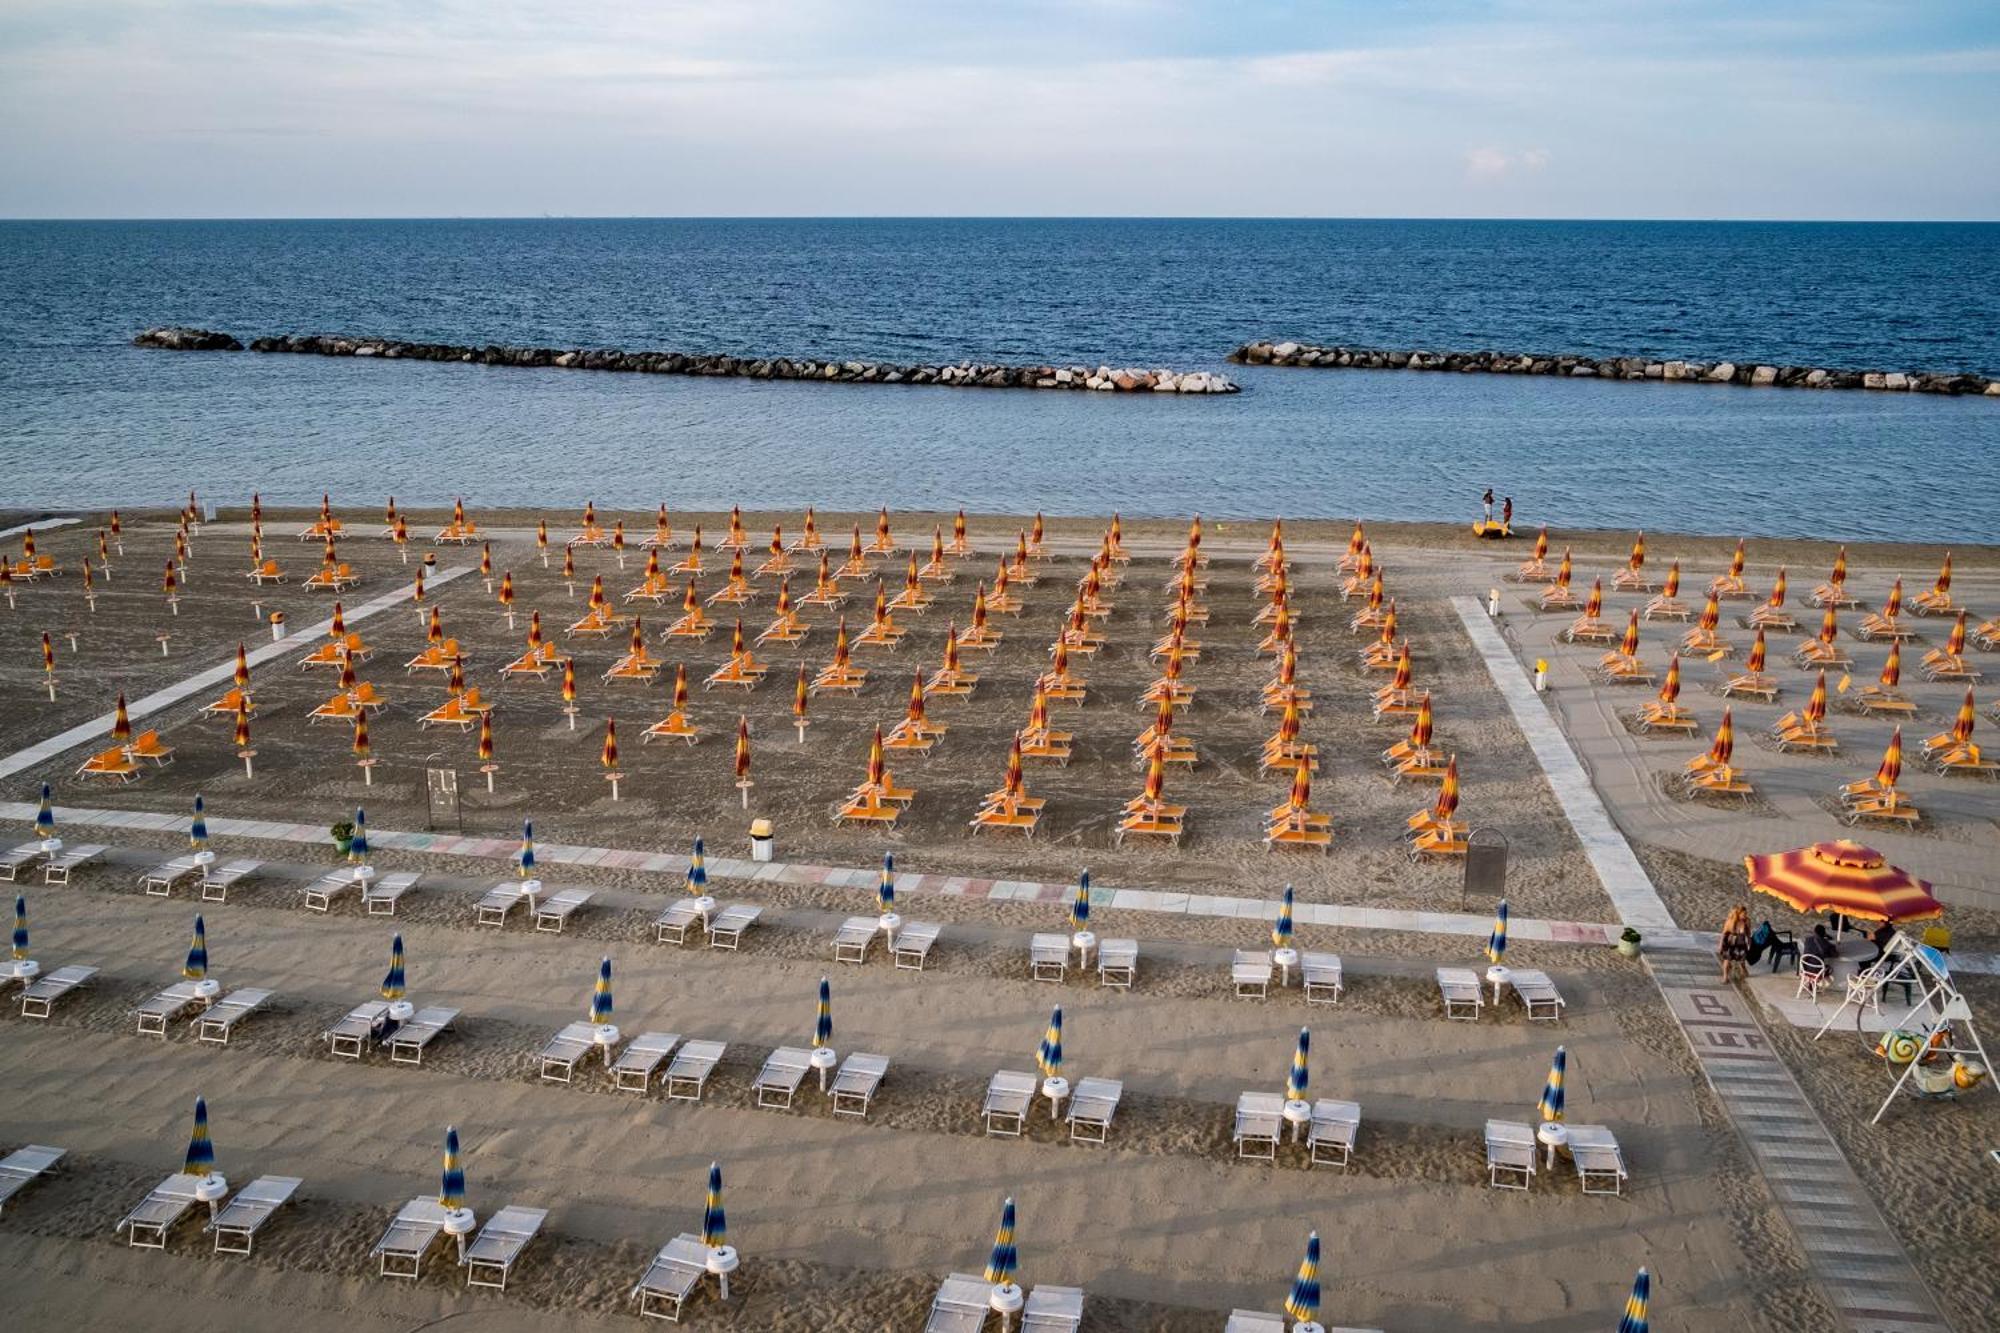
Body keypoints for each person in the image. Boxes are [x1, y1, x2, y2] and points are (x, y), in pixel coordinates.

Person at [1717, 905, 1750, 982]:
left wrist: (1749, 943)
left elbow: (1748, 934)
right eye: (1744, 914)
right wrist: (1720, 945)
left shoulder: (1747, 921)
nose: (1745, 915)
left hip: (1740, 942)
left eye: (1746, 913)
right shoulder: (1730, 921)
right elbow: (1723, 934)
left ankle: (1744, 970)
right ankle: (1725, 977)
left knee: (1742, 961)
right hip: (1730, 942)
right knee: (1727, 960)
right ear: (1738, 914)